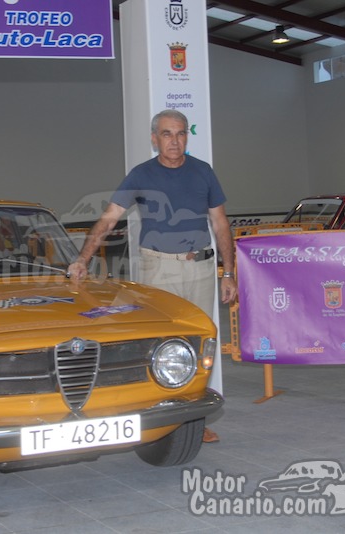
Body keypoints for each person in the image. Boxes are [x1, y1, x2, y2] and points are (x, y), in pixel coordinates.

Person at [67, 109, 236, 444]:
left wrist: (228, 272)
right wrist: (82, 259)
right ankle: (157, 418)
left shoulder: (203, 172)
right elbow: (109, 219)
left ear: (187, 137)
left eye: (181, 133)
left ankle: (193, 420)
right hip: (159, 269)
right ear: (154, 138)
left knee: (198, 342)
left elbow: (220, 224)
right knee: (160, 343)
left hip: (200, 268)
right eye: (167, 134)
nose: (174, 141)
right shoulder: (141, 174)